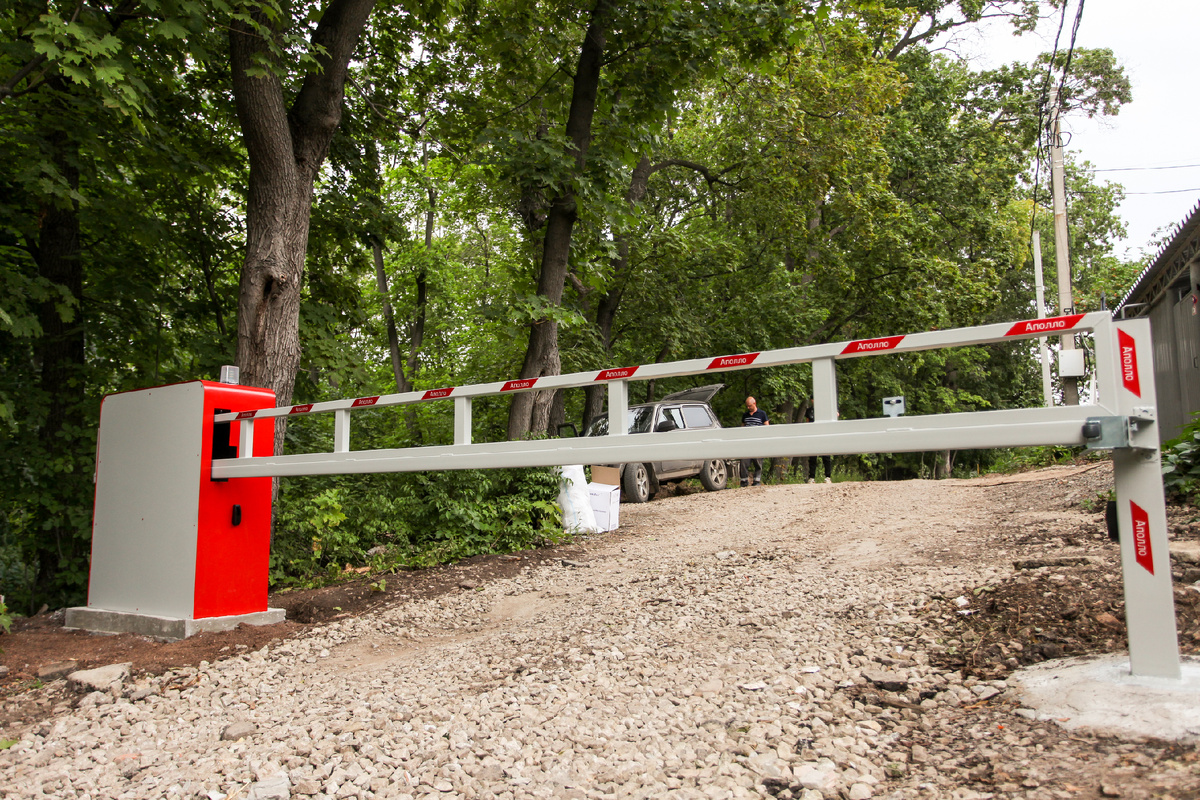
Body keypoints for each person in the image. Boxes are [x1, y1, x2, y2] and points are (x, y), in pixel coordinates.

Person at [741, 396, 769, 486]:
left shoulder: (762, 414)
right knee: (744, 462)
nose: (748, 408)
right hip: (747, 442)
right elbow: (742, 427)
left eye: (750, 406)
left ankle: (757, 481)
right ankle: (744, 481)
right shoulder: (745, 415)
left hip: (758, 441)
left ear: (754, 404)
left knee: (758, 462)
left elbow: (767, 427)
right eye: (747, 406)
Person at [803, 404, 832, 483]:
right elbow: (807, 423)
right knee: (812, 457)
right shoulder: (809, 410)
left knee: (826, 457)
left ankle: (828, 476)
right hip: (813, 435)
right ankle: (811, 477)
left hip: (823, 435)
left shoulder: (825, 410)